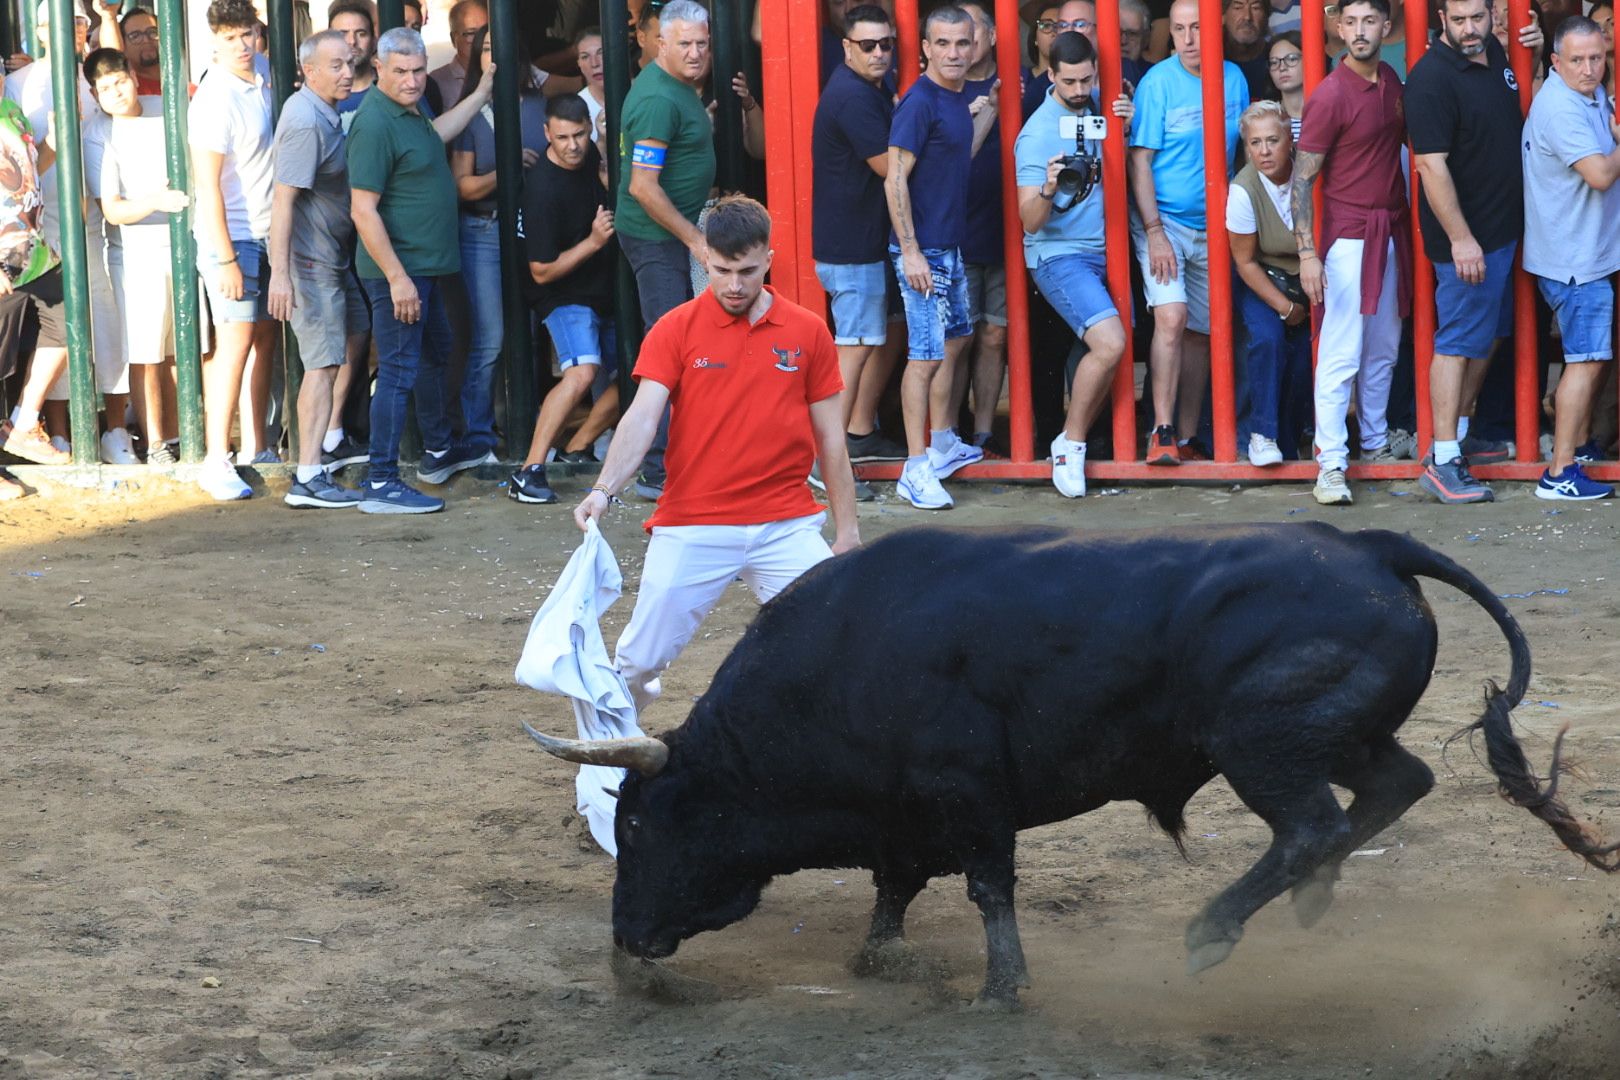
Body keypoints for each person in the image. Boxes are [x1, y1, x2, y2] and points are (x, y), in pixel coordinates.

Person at [572, 195, 860, 715]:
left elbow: (832, 441)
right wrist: (602, 490)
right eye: (722, 270)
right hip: (693, 521)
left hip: (785, 524)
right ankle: (611, 750)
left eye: (747, 271)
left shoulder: (808, 330)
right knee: (639, 661)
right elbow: (641, 418)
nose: (733, 285)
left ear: (769, 259)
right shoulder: (675, 328)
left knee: (841, 639)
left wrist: (848, 533)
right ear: (705, 258)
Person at [347, 26, 496, 514]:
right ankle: (381, 480)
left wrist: (481, 93)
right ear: (379, 69)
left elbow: (436, 134)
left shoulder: (411, 110)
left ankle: (438, 451)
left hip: (423, 268)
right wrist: (397, 279)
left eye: (418, 71)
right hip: (401, 272)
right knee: (398, 371)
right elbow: (362, 210)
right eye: (401, 72)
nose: (412, 81)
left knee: (435, 355)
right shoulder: (375, 123)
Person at [1406, 0, 1536, 504]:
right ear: (1441, 20)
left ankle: (1456, 436)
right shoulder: (1430, 79)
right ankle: (1442, 459)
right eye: (1458, 20)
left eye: (1476, 18)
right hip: (1467, 241)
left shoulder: (1494, 53)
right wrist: (1461, 239)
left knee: (1488, 337)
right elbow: (1430, 166)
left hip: (1500, 234)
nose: (1468, 29)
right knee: (1458, 342)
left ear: (1491, 13)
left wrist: (1535, 50)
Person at [1292, 0, 1409, 506]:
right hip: (1347, 239)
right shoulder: (1329, 94)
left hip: (1390, 233)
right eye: (1351, 22)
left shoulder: (1392, 81)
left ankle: (1376, 442)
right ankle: (1331, 464)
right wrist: (1307, 253)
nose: (1360, 31)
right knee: (1340, 353)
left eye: (1369, 21)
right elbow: (1302, 181)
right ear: (1338, 28)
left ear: (1386, 26)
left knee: (1383, 347)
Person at [885, 5, 996, 510]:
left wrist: (989, 111)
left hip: (946, 246)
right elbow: (894, 179)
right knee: (926, 355)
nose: (954, 53)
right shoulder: (920, 101)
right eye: (943, 44)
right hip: (922, 251)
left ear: (975, 46)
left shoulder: (956, 98)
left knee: (957, 339)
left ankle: (944, 441)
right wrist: (911, 252)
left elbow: (954, 157)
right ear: (926, 48)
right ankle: (915, 469)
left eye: (962, 43)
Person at [1129, 0, 1249, 465]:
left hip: (1215, 226)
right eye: (1179, 29)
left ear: (1215, 27)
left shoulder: (1234, 79)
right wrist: (1155, 231)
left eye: (1197, 27)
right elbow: (1140, 161)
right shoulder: (1157, 83)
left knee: (1201, 331)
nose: (1189, 39)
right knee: (1172, 317)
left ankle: (1188, 435)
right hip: (1166, 221)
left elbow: (1242, 153)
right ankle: (1160, 430)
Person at [1015, 30, 1131, 497]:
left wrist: (1126, 122)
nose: (1080, 90)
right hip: (1059, 254)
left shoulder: (1102, 107)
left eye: (1087, 80)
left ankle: (1077, 439)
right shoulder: (1036, 134)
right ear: (1050, 76)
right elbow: (1029, 222)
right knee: (1110, 343)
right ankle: (1070, 443)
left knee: (1108, 349)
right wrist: (1048, 187)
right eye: (1070, 82)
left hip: (1108, 249)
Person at [617, 0, 716, 499]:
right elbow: (642, 186)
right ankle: (657, 470)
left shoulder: (676, 87)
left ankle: (671, 461)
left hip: (668, 237)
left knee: (678, 346)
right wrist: (695, 239)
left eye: (702, 43)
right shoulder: (659, 98)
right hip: (658, 240)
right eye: (685, 44)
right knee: (668, 352)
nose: (696, 52)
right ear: (661, 44)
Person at [266, 29, 367, 509]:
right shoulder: (306, 120)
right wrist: (280, 274)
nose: (348, 72)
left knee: (354, 336)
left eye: (350, 62)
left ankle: (326, 439)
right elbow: (282, 201)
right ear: (309, 71)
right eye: (336, 66)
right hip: (310, 264)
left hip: (331, 257)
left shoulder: (323, 110)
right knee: (322, 365)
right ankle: (307, 475)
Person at [1522, 15, 1619, 500]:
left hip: (1584, 253)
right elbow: (1600, 175)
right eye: (1577, 60)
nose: (1588, 69)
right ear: (1556, 62)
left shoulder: (1590, 94)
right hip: (1574, 261)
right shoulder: (1560, 107)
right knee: (1585, 360)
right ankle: (1559, 472)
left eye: (1596, 58)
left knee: (1592, 358)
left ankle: (1577, 447)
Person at [812, 4, 908, 478]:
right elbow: (891, 168)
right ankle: (825, 462)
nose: (879, 53)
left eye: (886, 44)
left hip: (862, 244)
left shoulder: (868, 88)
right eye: (868, 45)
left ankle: (859, 432)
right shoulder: (853, 96)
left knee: (881, 335)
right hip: (852, 248)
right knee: (853, 348)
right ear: (847, 48)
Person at [188, 0, 280, 499]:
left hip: (269, 231)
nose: (242, 45)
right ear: (215, 42)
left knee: (264, 337)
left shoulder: (264, 71)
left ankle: (258, 448)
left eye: (247, 34)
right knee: (235, 342)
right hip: (234, 236)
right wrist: (224, 256)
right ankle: (216, 458)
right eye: (230, 38)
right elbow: (207, 185)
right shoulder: (214, 97)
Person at [509, 94, 617, 504]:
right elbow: (541, 271)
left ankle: (578, 445)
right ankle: (528, 471)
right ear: (546, 134)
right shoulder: (541, 188)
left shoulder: (591, 155)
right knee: (582, 373)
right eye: (563, 138)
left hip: (602, 289)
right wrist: (593, 242)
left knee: (646, 371)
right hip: (561, 294)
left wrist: (602, 149)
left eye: (580, 135)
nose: (573, 145)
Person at [450, 25, 547, 461]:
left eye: (503, 46)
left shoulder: (540, 105)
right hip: (483, 230)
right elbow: (461, 187)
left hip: (533, 231)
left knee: (530, 335)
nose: (496, 55)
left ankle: (528, 433)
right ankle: (479, 437)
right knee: (490, 338)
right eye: (487, 48)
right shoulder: (471, 112)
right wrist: (506, 170)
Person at [95, 45, 184, 467]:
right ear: (94, 95)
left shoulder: (165, 107)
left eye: (119, 81)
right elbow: (113, 210)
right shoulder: (100, 134)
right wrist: (156, 201)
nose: (115, 92)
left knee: (179, 351)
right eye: (104, 88)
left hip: (180, 244)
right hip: (134, 255)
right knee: (145, 354)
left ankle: (180, 436)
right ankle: (156, 443)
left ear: (133, 76)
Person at [1228, 101, 1311, 467]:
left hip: (1311, 279)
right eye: (1255, 143)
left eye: (1272, 140)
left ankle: (1292, 443)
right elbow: (1245, 262)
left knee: (1307, 355)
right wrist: (1286, 307)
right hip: (1264, 279)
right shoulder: (1242, 189)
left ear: (1289, 140)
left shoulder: (1309, 172)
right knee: (1267, 340)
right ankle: (1261, 434)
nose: (1264, 151)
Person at [0, 60, 70, 475]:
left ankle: (24, 423)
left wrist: (55, 144)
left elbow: (29, 175)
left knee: (66, 322)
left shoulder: (12, 112)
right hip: (3, 260)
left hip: (31, 254)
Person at [956, 1, 1009, 453]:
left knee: (995, 335)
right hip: (958, 235)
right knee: (960, 337)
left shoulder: (1018, 83)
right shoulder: (940, 88)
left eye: (972, 30)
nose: (964, 41)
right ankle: (951, 434)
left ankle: (985, 435)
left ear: (992, 36)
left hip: (1007, 231)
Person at [429, 0, 489, 111]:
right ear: (453, 39)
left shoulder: (502, 74)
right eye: (471, 33)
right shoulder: (436, 82)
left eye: (485, 31)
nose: (481, 39)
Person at [328, 0, 377, 130]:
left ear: (374, 42)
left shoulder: (393, 88)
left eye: (361, 34)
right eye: (342, 34)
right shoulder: (316, 94)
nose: (352, 41)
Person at [1225, 0, 1273, 101]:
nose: (1247, 17)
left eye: (1255, 8)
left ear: (1266, 17)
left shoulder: (1277, 60)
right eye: (1238, 8)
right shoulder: (1210, 61)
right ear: (1223, 16)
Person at [1265, 31, 1307, 141]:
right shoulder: (1265, 118)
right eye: (1274, 62)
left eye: (1292, 59)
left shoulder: (1328, 112)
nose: (1282, 67)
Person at [575, 25, 605, 139]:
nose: (594, 63)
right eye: (585, 57)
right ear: (578, 63)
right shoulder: (577, 108)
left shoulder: (640, 93)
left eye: (601, 53)